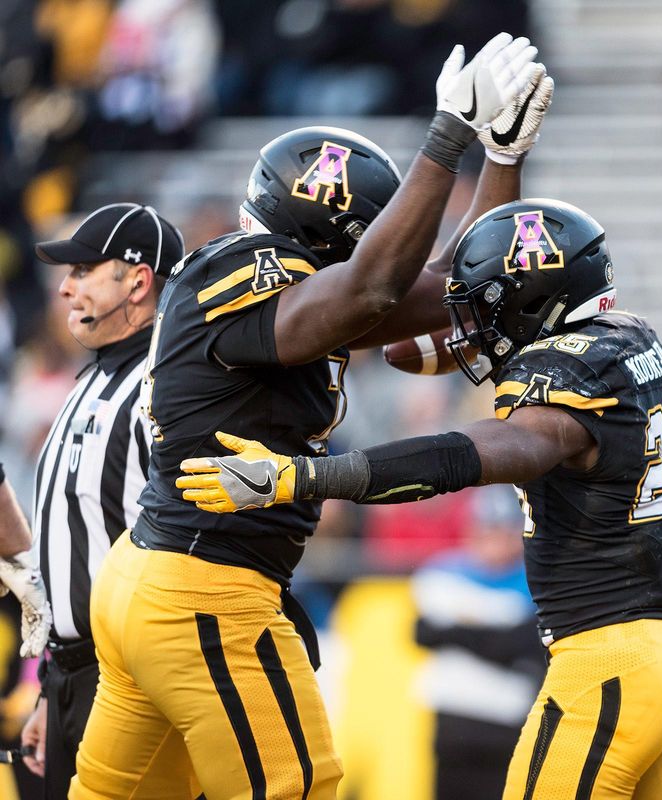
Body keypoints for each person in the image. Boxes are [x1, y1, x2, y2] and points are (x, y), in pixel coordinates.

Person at [71, 33, 550, 800]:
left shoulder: (294, 299)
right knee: (294, 787)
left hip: (163, 578)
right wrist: (444, 139)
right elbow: (371, 286)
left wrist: (499, 156)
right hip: (205, 586)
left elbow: (459, 287)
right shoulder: (240, 266)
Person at [177, 198, 662, 799]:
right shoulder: (630, 337)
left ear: (533, 306)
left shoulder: (558, 381)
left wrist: (302, 477)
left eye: (484, 308)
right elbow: (410, 352)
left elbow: (481, 453)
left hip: (609, 664)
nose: (471, 324)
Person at [18, 204, 185, 798]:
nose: (65, 287)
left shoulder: (167, 386)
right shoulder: (89, 377)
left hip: (127, 680)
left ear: (138, 282)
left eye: (85, 270)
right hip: (69, 675)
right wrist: (50, 688)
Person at [412, 484, 543, 800]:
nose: (494, 542)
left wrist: (455, 631)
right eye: (487, 531)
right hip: (453, 716)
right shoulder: (444, 573)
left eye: (502, 531)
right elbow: (422, 633)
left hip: (506, 720)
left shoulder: (534, 582)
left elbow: (517, 647)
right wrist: (491, 636)